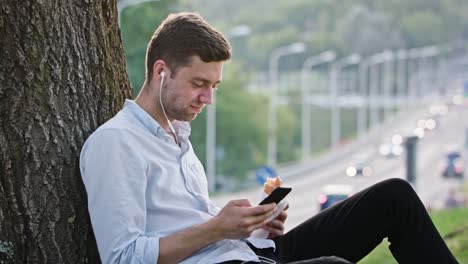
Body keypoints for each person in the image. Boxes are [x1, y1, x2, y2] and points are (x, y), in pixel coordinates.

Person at [79, 12, 458, 264]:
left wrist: (254, 225)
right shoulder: (116, 143)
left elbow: (192, 228)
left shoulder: (177, 138)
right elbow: (122, 256)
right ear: (161, 72)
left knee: (393, 196)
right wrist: (219, 227)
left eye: (214, 86)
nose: (208, 98)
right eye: (199, 84)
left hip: (253, 252)